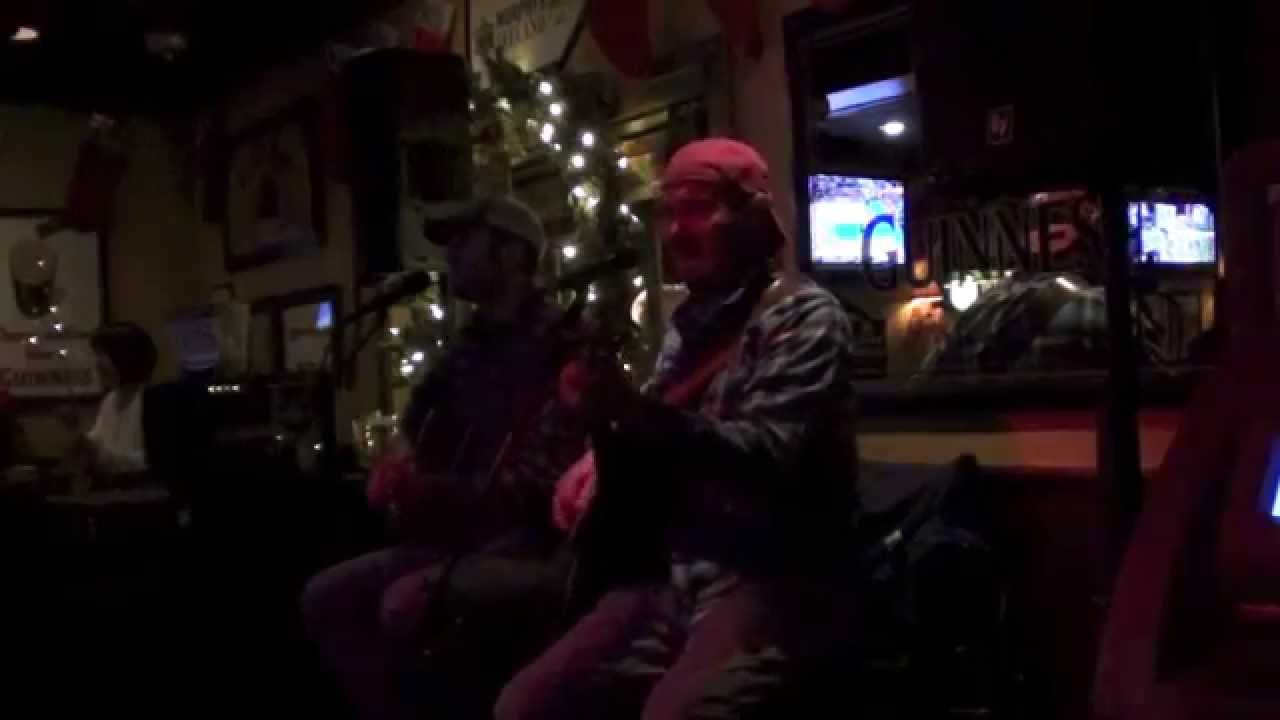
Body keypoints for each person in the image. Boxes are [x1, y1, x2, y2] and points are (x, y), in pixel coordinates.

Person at [496, 138, 858, 719]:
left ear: (752, 218)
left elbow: (767, 458)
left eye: (697, 210)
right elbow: (657, 454)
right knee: (527, 704)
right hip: (675, 576)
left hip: (771, 579)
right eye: (668, 213)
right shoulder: (686, 327)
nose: (674, 232)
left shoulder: (804, 315)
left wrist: (631, 411)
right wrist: (596, 423)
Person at [301, 195, 586, 720]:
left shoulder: (561, 345)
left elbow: (542, 487)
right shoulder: (467, 347)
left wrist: (439, 492)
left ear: (511, 254)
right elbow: (417, 424)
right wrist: (399, 464)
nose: (449, 254)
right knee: (325, 597)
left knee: (402, 605)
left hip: (524, 543)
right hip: (454, 535)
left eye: (464, 240)